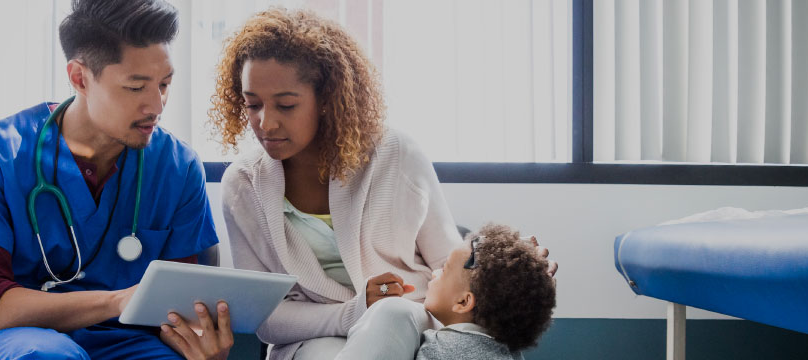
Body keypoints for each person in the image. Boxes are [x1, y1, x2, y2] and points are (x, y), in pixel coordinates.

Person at [210, 8, 557, 359]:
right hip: (311, 341)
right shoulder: (242, 186)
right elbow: (268, 318)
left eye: (286, 105)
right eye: (252, 104)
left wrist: (517, 272)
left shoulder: (397, 155)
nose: (265, 123)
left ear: (327, 99)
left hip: (411, 323)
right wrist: (357, 310)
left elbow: (452, 268)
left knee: (391, 313)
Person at [0, 1, 230, 359]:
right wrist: (116, 301)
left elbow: (181, 306)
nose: (157, 105)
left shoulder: (177, 167)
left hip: (124, 343)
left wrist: (206, 349)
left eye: (164, 84)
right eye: (136, 87)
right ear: (79, 78)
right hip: (8, 341)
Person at [335, 224, 558, 360]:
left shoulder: (442, 349)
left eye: (444, 270)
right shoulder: (511, 354)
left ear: (463, 302)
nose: (433, 274)